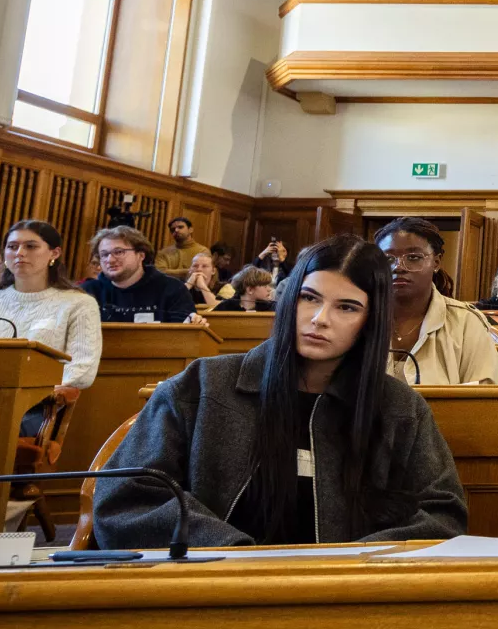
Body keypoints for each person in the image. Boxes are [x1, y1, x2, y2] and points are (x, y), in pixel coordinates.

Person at [92, 235, 468, 548]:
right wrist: (230, 552)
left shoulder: (400, 407)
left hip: (346, 605)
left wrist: (354, 564)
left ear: (370, 321)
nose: (320, 319)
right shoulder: (203, 385)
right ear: (290, 301)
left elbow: (442, 514)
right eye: (309, 298)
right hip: (212, 596)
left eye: (347, 307)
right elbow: (126, 498)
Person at [0, 220, 103, 436]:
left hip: (35, 408)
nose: (20, 253)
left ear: (54, 253)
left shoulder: (79, 304)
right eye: (12, 246)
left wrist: (18, 391)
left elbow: (82, 370)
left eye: (31, 246)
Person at [375, 218, 498, 386]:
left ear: (436, 262)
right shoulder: (357, 318)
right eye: (388, 259)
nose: (398, 267)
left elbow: (481, 399)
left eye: (413, 257)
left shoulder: (466, 322)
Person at [80, 226, 196, 323]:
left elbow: (183, 340)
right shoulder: (87, 292)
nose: (110, 260)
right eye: (104, 254)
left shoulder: (172, 289)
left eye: (119, 252)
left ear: (141, 255)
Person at [210, 266, 276, 312]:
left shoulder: (271, 307)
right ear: (250, 290)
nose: (269, 289)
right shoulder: (226, 307)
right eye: (265, 286)